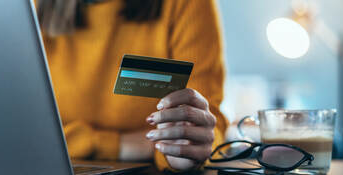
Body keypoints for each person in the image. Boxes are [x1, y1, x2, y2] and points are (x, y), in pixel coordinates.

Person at [37, 0, 228, 171]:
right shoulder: (29, 9)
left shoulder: (186, 4)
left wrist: (184, 151)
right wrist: (122, 145)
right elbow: (19, 135)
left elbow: (209, 125)